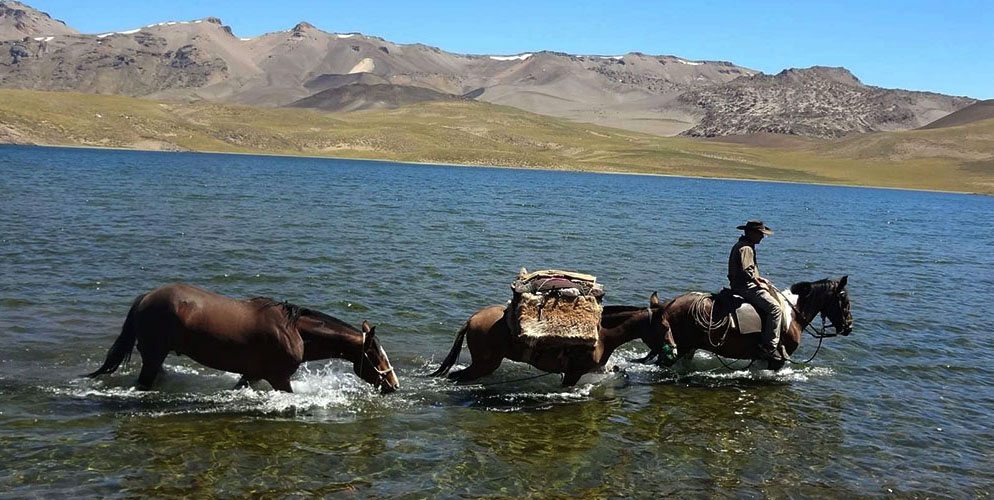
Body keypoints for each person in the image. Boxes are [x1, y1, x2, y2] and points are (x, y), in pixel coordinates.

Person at [727, 220, 783, 361]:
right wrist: (758, 282)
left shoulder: (743, 245)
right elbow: (747, 271)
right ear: (751, 233)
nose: (762, 237)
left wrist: (760, 278)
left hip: (742, 284)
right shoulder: (746, 248)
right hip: (745, 287)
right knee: (776, 309)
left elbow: (748, 270)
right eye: (760, 234)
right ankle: (769, 347)